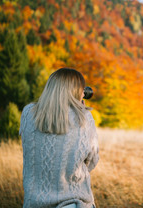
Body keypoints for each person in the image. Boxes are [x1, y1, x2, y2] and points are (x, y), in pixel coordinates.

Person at [19, 68, 99, 208]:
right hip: (73, 203)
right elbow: (92, 161)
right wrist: (80, 110)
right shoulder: (85, 118)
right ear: (77, 92)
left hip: (34, 203)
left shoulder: (28, 112)